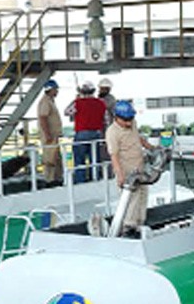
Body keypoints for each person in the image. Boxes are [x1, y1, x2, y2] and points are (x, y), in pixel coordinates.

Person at [106, 101, 154, 237]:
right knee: (131, 198)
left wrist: (151, 148)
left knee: (143, 194)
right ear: (117, 117)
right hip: (126, 170)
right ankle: (128, 227)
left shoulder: (133, 124)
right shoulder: (112, 132)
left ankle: (140, 223)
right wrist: (120, 175)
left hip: (139, 166)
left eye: (130, 119)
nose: (129, 123)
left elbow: (138, 138)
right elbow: (114, 155)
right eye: (125, 120)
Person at [64, 81, 106, 183]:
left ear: (82, 91)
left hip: (82, 133)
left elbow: (66, 112)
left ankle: (80, 181)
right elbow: (106, 119)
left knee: (79, 160)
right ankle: (95, 178)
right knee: (95, 159)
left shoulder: (78, 103)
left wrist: (76, 99)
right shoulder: (101, 103)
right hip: (96, 133)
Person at [38, 79, 63, 186]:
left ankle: (56, 179)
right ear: (50, 89)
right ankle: (49, 180)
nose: (57, 91)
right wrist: (47, 134)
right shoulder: (45, 102)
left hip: (53, 136)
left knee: (55, 158)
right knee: (50, 159)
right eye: (55, 89)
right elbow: (43, 118)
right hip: (49, 136)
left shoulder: (50, 101)